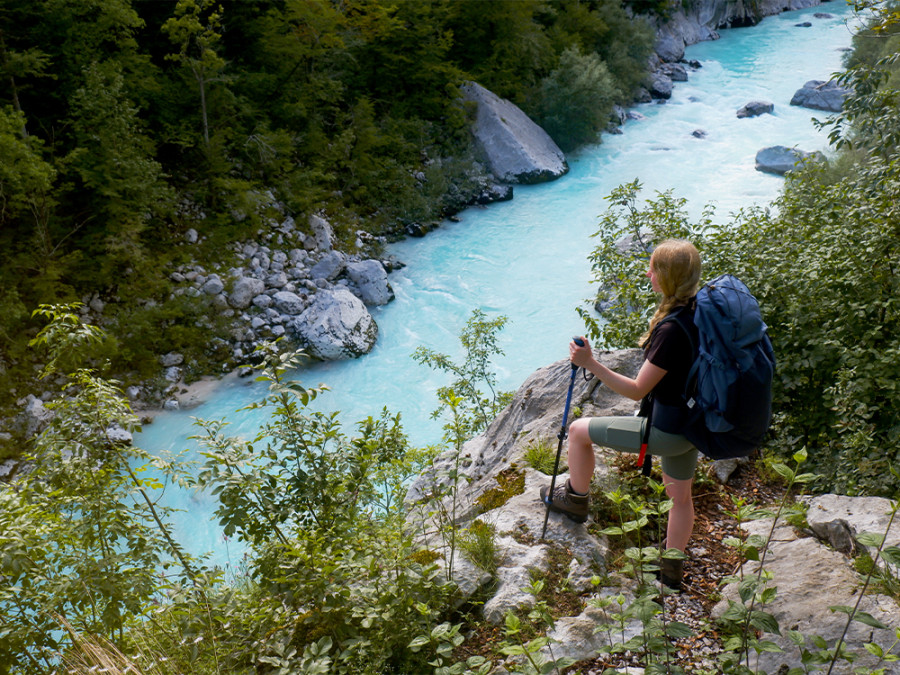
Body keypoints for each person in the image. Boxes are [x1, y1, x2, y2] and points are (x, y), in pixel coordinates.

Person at [540, 238, 701, 590]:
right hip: (695, 425)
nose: (648, 273)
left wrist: (589, 363)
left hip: (669, 430)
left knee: (579, 431)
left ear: (669, 278)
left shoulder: (672, 330)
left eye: (654, 269)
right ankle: (671, 568)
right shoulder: (699, 310)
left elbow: (637, 389)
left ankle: (575, 500)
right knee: (681, 498)